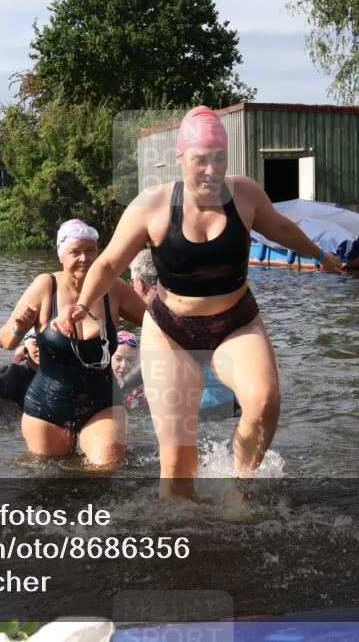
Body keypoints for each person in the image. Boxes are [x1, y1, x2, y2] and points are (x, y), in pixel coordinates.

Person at [54, 106, 344, 497]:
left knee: (264, 403)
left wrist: (320, 255)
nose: (211, 169)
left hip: (235, 323)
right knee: (176, 464)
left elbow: (281, 227)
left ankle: (238, 484)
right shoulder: (151, 206)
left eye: (219, 158)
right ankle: (183, 539)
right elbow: (108, 263)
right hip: (171, 330)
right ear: (180, 160)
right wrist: (83, 305)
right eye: (200, 160)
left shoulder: (245, 194)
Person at [0, 218, 147, 466]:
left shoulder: (114, 288)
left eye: (91, 251)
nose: (84, 258)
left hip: (102, 402)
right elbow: (4, 341)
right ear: (61, 257)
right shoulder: (45, 286)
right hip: (47, 406)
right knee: (49, 482)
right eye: (75, 252)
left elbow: (155, 322)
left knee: (108, 470)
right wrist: (18, 326)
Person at [128, 248, 238, 419]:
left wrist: (121, 386)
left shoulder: (160, 313)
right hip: (230, 399)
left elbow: (153, 362)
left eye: (131, 281)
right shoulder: (192, 301)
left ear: (140, 284)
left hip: (200, 407)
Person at [0, 329, 39, 409]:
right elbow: (2, 395)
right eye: (36, 344)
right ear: (25, 349)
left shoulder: (57, 374)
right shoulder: (10, 373)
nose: (41, 349)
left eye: (44, 345)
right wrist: (17, 358)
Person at [112, 330, 146, 412]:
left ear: (136, 361)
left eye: (129, 360)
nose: (123, 365)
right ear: (109, 358)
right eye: (118, 359)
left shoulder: (141, 391)